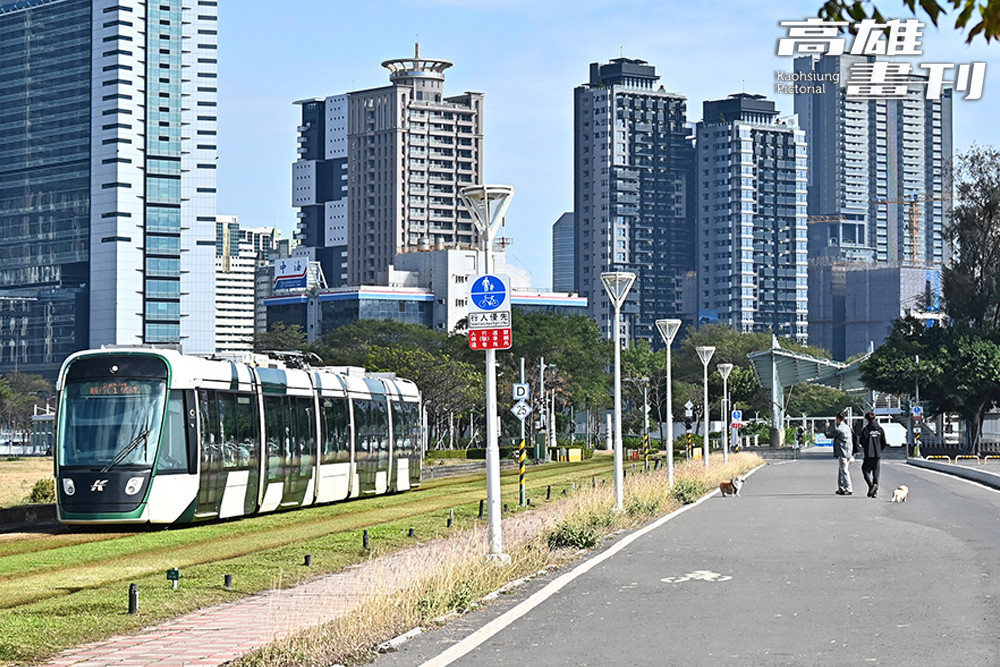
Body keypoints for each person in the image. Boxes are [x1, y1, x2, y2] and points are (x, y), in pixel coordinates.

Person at [859, 411, 887, 498]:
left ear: (867, 419)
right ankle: (874, 491)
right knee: (876, 473)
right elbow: (884, 442)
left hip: (868, 454)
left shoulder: (866, 429)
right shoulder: (880, 429)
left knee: (865, 470)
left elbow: (862, 441)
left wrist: (866, 447)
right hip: (877, 454)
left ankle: (871, 486)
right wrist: (879, 449)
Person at [825, 412, 853, 495]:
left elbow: (828, 435)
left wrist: (827, 427)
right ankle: (841, 488)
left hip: (842, 451)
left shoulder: (839, 429)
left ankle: (848, 488)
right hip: (848, 451)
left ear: (838, 419)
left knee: (844, 470)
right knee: (841, 470)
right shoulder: (847, 427)